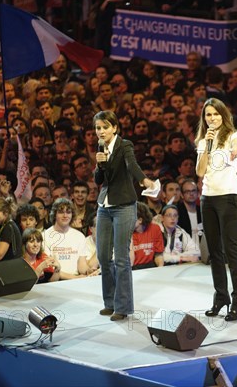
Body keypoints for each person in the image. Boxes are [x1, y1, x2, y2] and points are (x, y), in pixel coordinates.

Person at [94, 110, 155, 321]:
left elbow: (132, 165)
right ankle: (109, 302)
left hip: (124, 206)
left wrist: (144, 180)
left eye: (104, 127)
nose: (101, 131)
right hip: (105, 204)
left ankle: (123, 306)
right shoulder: (100, 147)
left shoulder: (124, 145)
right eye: (98, 128)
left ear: (114, 128)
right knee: (103, 256)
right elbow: (98, 179)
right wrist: (100, 163)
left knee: (121, 258)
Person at [195, 98, 237, 321]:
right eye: (208, 115)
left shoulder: (232, 136)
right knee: (214, 252)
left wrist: (234, 149)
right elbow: (200, 171)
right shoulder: (203, 140)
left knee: (231, 250)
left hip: (228, 197)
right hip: (208, 198)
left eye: (216, 114)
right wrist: (205, 146)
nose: (212, 118)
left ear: (223, 115)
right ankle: (221, 297)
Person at [131, 202, 164, 270]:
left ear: (140, 220)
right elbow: (129, 261)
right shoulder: (126, 232)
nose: (126, 221)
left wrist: (161, 268)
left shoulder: (155, 229)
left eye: (130, 218)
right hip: (133, 268)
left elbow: (158, 254)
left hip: (151, 267)